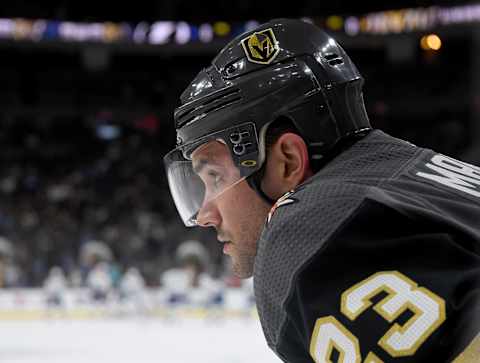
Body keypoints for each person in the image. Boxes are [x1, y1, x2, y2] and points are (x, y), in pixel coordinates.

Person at [164, 18, 480, 363]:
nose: (206, 214)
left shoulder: (303, 231)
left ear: (286, 161)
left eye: (215, 177)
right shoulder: (418, 167)